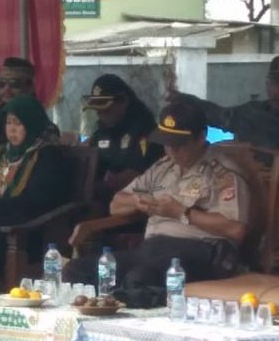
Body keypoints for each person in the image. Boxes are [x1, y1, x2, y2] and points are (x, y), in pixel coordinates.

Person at [63, 99, 249, 306]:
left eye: (180, 144)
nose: (172, 150)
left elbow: (236, 230)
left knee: (139, 279)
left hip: (201, 251)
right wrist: (138, 202)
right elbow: (116, 205)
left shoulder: (222, 174)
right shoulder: (163, 168)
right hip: (151, 249)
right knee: (77, 270)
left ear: (201, 137)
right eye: (167, 143)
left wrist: (183, 212)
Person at [0, 96, 70, 296]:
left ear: (32, 124)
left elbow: (37, 200)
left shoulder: (46, 156)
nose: (12, 130)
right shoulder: (2, 154)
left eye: (18, 124)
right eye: (8, 123)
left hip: (31, 227)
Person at [83, 74, 164, 207]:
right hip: (100, 199)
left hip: (134, 202)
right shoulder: (100, 133)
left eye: (106, 109)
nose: (100, 114)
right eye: (97, 110)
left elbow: (143, 173)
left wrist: (111, 183)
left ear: (124, 101)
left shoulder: (145, 131)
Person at [167, 56, 279, 149]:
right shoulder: (252, 113)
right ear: (268, 84)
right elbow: (217, 115)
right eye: (276, 83)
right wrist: (182, 99)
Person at [0, 57, 59, 166]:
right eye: (2, 84)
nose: (6, 90)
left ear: (30, 87)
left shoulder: (41, 125)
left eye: (15, 84)